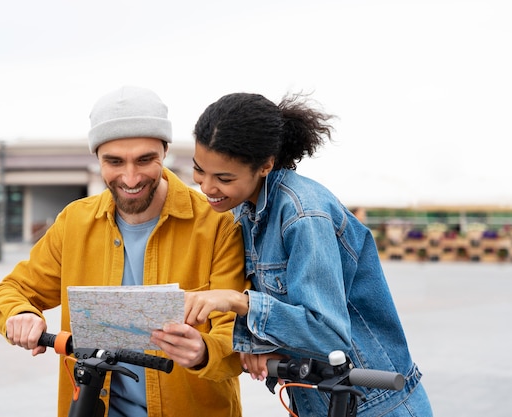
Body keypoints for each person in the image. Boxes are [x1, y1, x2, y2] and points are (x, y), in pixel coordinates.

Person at [0, 86, 247, 417]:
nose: (131, 177)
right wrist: (20, 314)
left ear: (165, 151)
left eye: (145, 159)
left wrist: (203, 351)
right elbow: (10, 291)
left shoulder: (218, 224)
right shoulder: (75, 222)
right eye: (114, 161)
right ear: (96, 159)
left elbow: (237, 334)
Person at [185, 92, 433, 416]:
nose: (206, 186)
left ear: (265, 165)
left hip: (375, 404)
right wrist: (260, 346)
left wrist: (239, 303)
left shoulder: (304, 215)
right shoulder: (241, 212)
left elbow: (328, 333)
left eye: (224, 178)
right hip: (320, 401)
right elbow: (289, 319)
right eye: (199, 171)